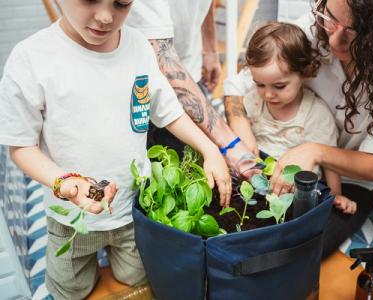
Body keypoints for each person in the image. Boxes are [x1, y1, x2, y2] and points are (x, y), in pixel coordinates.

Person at [0, 0, 231, 298]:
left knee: (136, 279)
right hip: (71, 220)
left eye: (122, 3)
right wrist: (64, 182)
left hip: (132, 213)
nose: (106, 16)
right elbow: (21, 146)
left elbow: (168, 111)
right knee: (69, 290)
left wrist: (210, 148)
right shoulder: (31, 59)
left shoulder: (137, 46)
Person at [224, 0, 373, 257]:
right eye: (331, 19)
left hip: (350, 182)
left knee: (293, 251)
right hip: (281, 157)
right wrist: (242, 131)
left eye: (354, 32)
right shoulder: (311, 32)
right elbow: (236, 89)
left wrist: (317, 152)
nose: (335, 41)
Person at [127, 0, 261, 178]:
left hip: (189, 66)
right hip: (143, 86)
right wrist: (231, 144)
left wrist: (209, 48)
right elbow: (161, 57)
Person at [241, 21, 356, 214]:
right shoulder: (254, 100)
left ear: (304, 73)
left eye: (279, 86)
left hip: (297, 190)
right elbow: (241, 126)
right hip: (258, 178)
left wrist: (335, 194)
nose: (268, 95)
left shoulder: (316, 115)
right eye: (260, 85)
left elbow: (330, 161)